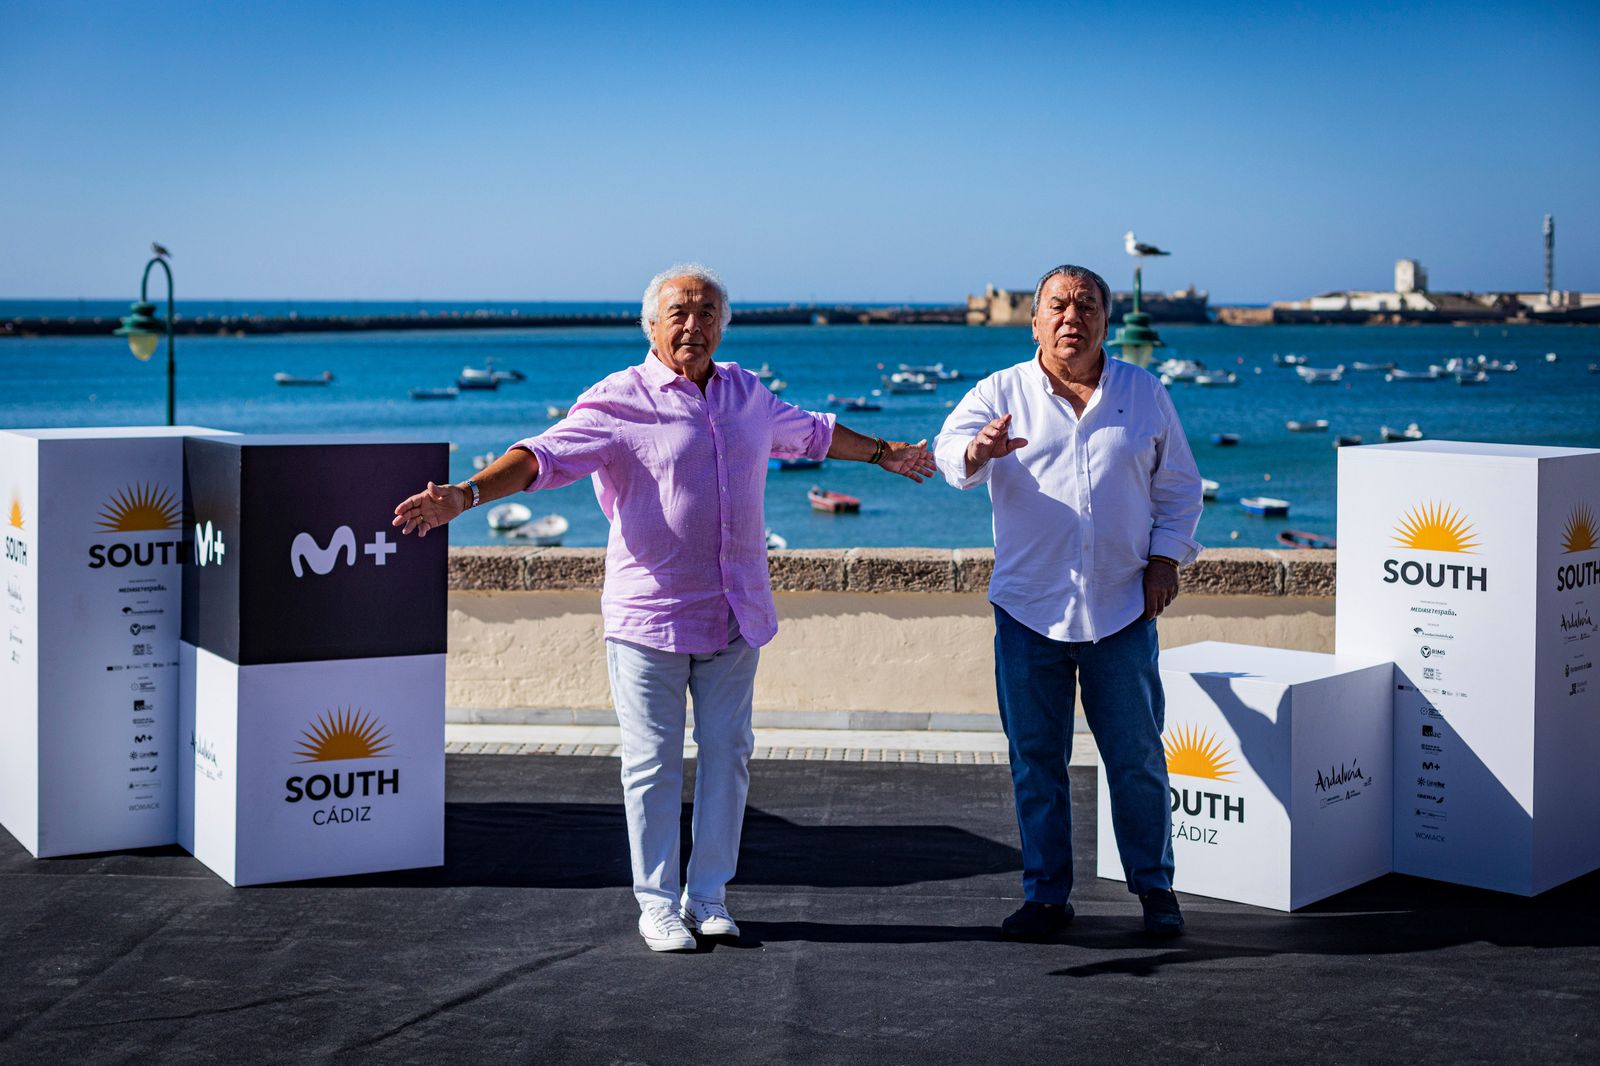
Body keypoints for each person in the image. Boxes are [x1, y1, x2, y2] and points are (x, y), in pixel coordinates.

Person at [393, 263, 936, 952]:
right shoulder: (618, 399)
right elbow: (539, 457)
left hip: (736, 614)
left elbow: (817, 434)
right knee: (651, 763)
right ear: (651, 324)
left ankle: (708, 896)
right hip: (650, 618)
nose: (693, 323)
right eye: (679, 311)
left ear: (723, 324)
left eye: (707, 312)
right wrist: (465, 496)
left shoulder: (746, 393)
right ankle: (656, 902)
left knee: (729, 756)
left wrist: (885, 453)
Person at [933, 263, 1203, 940]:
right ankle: (1047, 896)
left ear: (1105, 321)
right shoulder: (1000, 391)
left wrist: (1166, 559)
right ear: (1034, 320)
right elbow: (946, 455)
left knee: (1137, 759)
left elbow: (1179, 489)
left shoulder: (1143, 393)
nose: (1070, 317)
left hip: (1121, 608)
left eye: (1085, 306)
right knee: (1037, 760)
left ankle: (1156, 890)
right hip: (1029, 610)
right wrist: (976, 449)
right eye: (1057, 305)